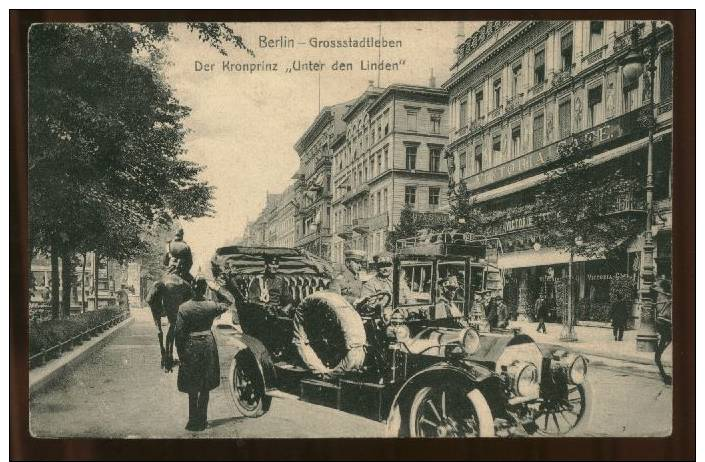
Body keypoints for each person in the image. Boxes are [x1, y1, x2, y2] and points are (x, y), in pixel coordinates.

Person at [174, 277, 234, 431]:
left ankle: (192, 421)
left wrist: (181, 354)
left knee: (192, 385)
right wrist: (216, 288)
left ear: (193, 289)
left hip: (190, 346)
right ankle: (203, 420)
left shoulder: (183, 308)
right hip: (207, 345)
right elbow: (229, 300)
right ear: (204, 290)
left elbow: (179, 333)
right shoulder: (211, 306)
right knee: (205, 385)